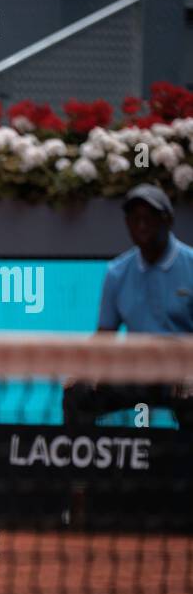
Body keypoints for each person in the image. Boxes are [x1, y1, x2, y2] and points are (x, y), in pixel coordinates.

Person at [62, 183, 193, 429]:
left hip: (183, 370)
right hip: (136, 371)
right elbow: (105, 336)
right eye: (134, 219)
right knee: (78, 392)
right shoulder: (117, 272)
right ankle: (81, 465)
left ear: (167, 220)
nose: (141, 226)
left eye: (149, 218)